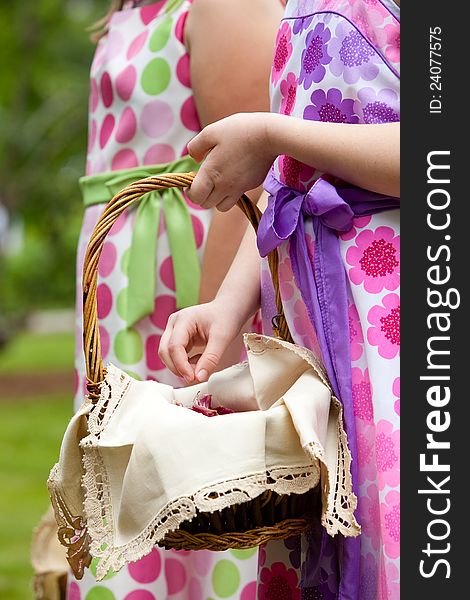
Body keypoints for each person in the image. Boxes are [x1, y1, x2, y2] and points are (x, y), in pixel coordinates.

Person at [159, 1, 400, 598]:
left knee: (391, 519)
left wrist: (271, 133)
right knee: (324, 524)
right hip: (311, 327)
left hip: (389, 319)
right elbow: (290, 182)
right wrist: (227, 304)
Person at [68, 0, 283, 598]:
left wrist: (213, 320)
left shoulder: (218, 7)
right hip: (117, 290)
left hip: (179, 279)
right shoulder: (130, 11)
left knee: (191, 463)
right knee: (125, 457)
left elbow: (250, 181)